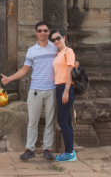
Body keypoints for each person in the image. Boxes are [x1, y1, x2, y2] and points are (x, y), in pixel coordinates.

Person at [1, 21, 58, 160]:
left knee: (50, 121)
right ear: (36, 33)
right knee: (33, 121)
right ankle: (30, 149)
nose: (43, 33)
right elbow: (24, 70)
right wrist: (9, 79)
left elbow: (66, 61)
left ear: (49, 32)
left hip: (52, 90)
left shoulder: (56, 48)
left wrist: (75, 64)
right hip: (35, 90)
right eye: (40, 31)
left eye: (45, 30)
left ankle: (47, 148)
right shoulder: (32, 50)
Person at [50, 29, 77, 163]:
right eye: (53, 39)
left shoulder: (68, 51)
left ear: (64, 37)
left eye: (58, 38)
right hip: (59, 88)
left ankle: (69, 152)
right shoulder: (58, 54)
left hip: (65, 88)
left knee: (61, 121)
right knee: (66, 121)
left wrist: (66, 90)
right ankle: (70, 151)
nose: (56, 41)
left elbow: (69, 72)